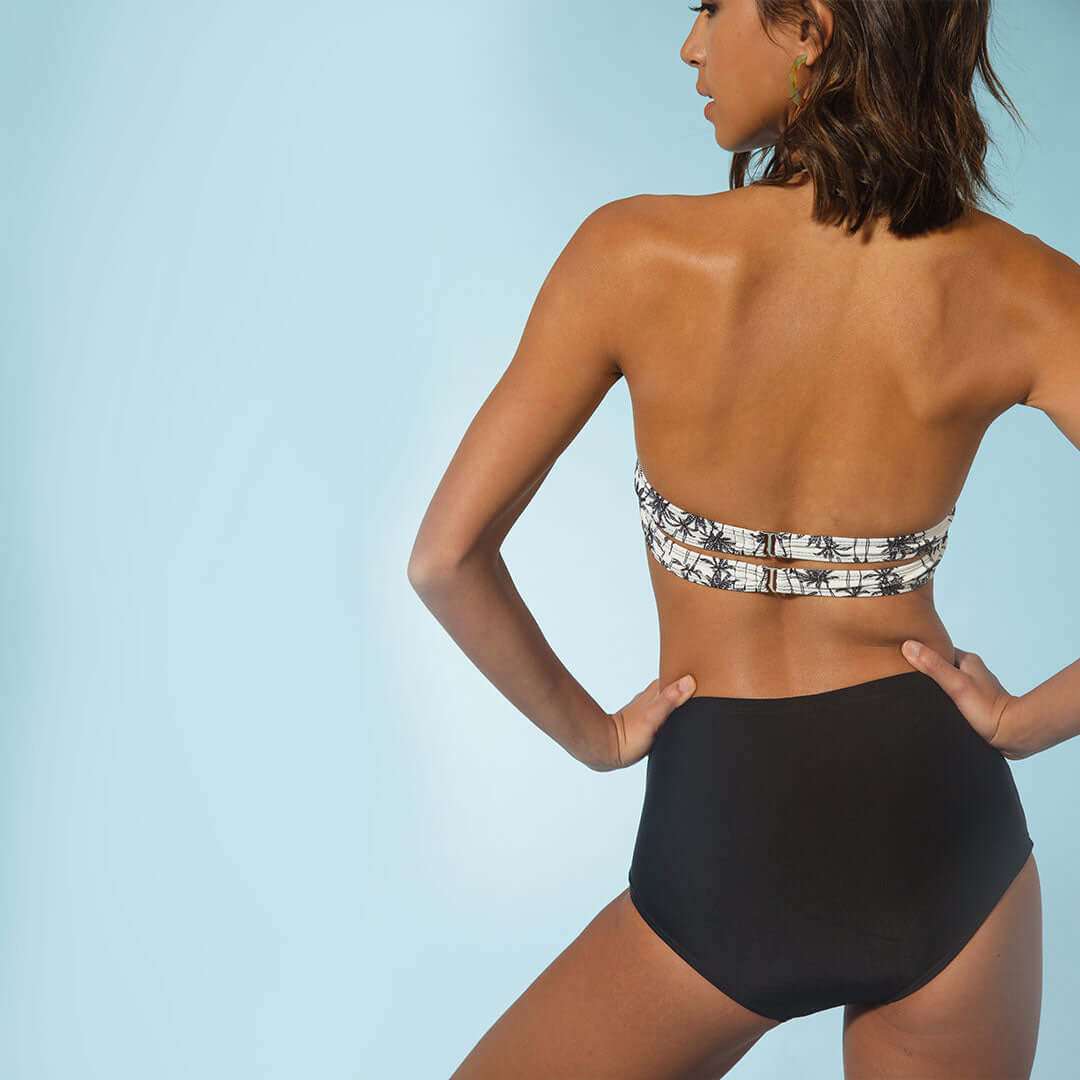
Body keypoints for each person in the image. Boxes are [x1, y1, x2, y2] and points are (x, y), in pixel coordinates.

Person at [408, 1, 1080, 1076]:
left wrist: (596, 736)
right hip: (946, 838)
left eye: (711, 7)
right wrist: (1024, 722)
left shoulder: (633, 253)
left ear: (811, 27)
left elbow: (446, 558)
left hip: (728, 828)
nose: (691, 45)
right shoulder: (1025, 285)